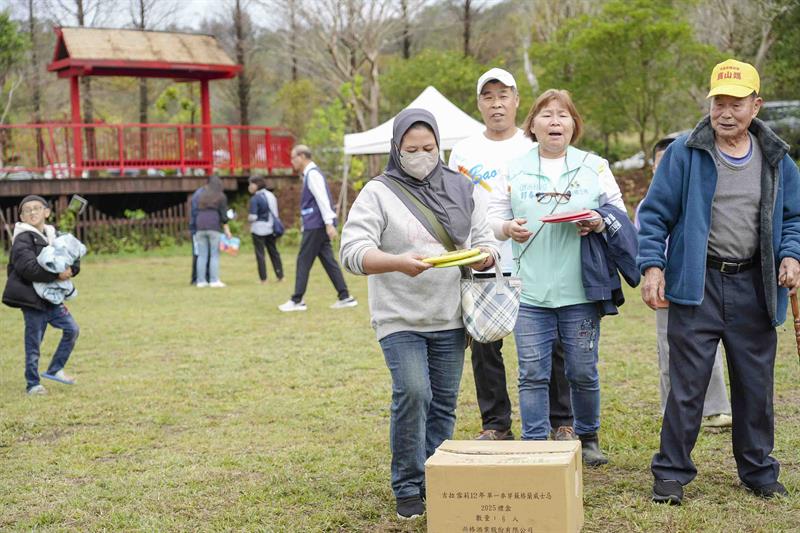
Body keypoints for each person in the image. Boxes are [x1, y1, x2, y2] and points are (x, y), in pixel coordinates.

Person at [638, 59, 800, 505]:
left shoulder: (776, 159)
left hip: (754, 285)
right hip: (697, 282)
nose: (726, 112)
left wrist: (791, 255)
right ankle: (671, 473)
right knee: (687, 386)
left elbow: (793, 219)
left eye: (736, 103)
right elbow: (654, 215)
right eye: (719, 102)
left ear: (756, 104)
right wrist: (652, 266)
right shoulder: (684, 152)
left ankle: (758, 471)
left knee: (755, 386)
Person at [340, 109, 498, 520]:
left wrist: (484, 258)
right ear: (396, 148)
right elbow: (352, 253)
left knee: (444, 403)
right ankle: (407, 484)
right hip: (399, 317)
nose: (422, 155)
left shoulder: (463, 187)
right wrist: (396, 261)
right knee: (413, 392)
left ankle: (435, 477)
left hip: (450, 316)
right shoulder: (378, 191)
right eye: (412, 149)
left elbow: (485, 241)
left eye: (429, 148)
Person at [489, 89, 629, 466]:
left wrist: (598, 221)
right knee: (532, 371)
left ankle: (587, 436)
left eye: (563, 115)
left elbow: (617, 212)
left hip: (581, 290)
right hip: (530, 291)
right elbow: (492, 218)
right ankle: (536, 442)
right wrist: (506, 227)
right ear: (531, 125)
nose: (555, 122)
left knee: (582, 370)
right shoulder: (513, 167)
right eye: (546, 115)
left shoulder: (594, 166)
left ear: (574, 124)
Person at [448, 68, 575, 441]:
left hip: (537, 259)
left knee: (549, 344)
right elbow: (455, 203)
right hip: (484, 258)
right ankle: (496, 424)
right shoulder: (465, 150)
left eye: (504, 95)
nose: (496, 103)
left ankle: (561, 421)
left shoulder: (533, 142)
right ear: (479, 104)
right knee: (485, 345)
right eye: (488, 96)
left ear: (518, 101)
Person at [636, 138, 732, 429]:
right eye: (662, 163)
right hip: (666, 287)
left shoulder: (697, 198)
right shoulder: (647, 205)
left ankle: (715, 408)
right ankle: (671, 409)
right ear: (654, 168)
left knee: (709, 346)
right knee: (668, 351)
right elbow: (648, 240)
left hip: (699, 283)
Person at [2, 195, 80, 395]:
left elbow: (72, 254)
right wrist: (57, 274)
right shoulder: (22, 239)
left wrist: (71, 270)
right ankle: (33, 383)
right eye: (27, 210)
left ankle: (55, 368)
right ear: (21, 216)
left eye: (37, 208)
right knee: (34, 342)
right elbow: (28, 268)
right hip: (32, 300)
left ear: (47, 212)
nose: (33, 212)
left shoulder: (54, 235)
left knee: (71, 329)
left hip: (52, 299)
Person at [279, 144, 357, 311]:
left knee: (303, 261)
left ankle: (297, 299)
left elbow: (322, 199)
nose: (292, 162)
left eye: (293, 158)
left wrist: (329, 223)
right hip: (317, 224)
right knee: (329, 262)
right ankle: (345, 296)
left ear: (302, 157)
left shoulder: (313, 174)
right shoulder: (309, 174)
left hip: (316, 225)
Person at [194, 176, 232, 288]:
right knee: (214, 255)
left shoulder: (201, 196)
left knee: (201, 255)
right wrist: (227, 230)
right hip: (213, 226)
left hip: (200, 225)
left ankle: (201, 281)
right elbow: (223, 215)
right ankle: (214, 280)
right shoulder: (221, 196)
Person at [247, 176, 284, 284]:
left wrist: (248, 219)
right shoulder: (270, 195)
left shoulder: (255, 198)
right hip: (271, 227)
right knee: (274, 252)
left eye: (251, 184)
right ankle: (280, 275)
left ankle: (263, 278)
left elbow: (253, 216)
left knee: (260, 254)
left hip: (258, 229)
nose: (249, 186)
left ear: (256, 185)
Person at [189, 183, 205, 285]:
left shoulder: (198, 194)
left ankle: (197, 277)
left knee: (198, 253)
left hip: (198, 227)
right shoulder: (201, 195)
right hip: (198, 228)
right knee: (198, 253)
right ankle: (196, 277)